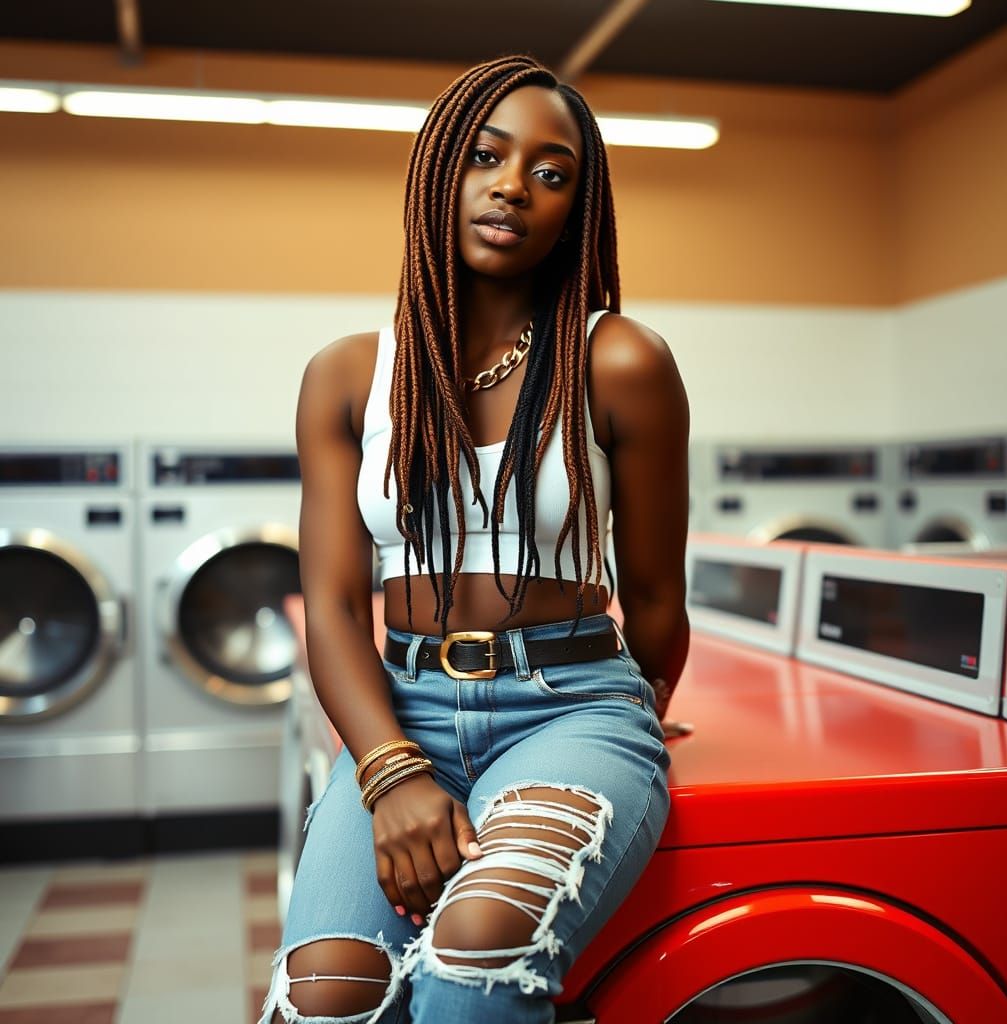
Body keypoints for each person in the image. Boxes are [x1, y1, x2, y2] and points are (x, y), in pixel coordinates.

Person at [259, 53, 691, 1024]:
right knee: (327, 999)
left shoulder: (616, 360)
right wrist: (391, 768)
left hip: (569, 708)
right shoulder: (350, 375)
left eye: (552, 172)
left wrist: (624, 731)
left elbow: (657, 601)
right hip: (398, 709)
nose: (513, 187)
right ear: (437, 174)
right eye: (486, 157)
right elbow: (332, 605)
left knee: (474, 968)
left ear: (576, 205)